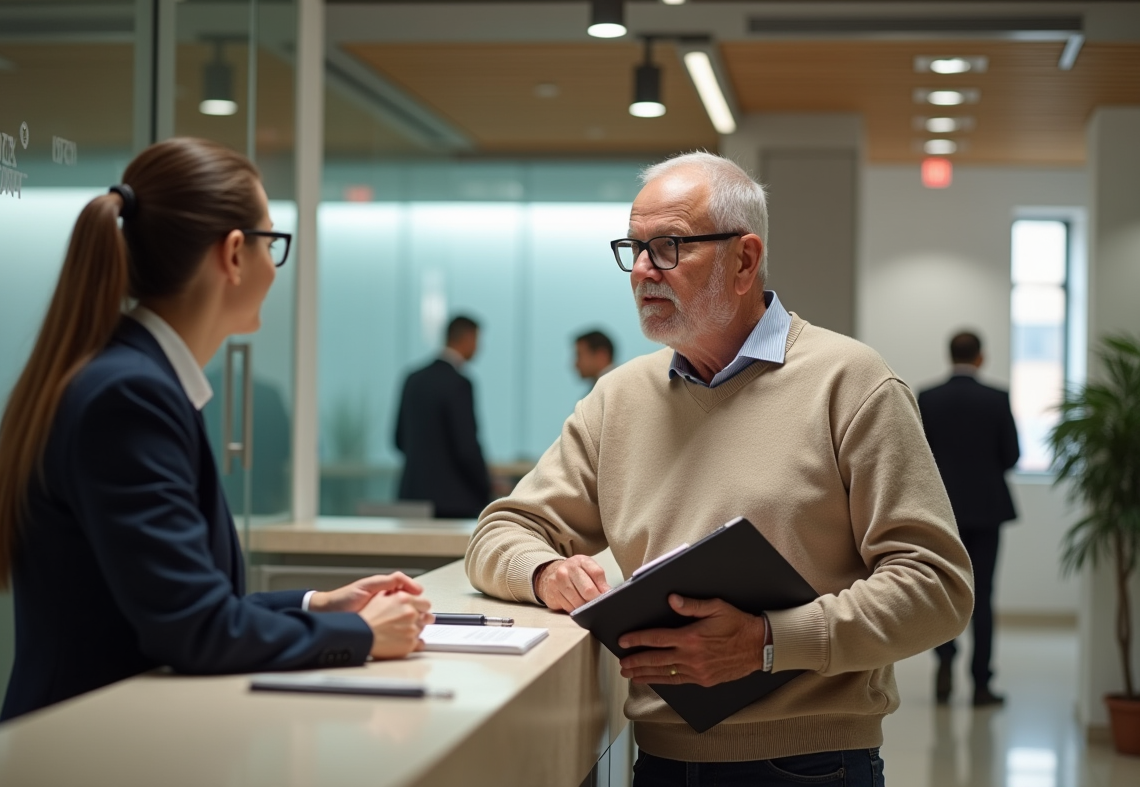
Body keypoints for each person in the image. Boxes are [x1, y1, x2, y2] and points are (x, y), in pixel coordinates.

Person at [465, 151, 973, 785]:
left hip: (812, 764)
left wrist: (768, 641)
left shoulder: (853, 384)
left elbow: (937, 588)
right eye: (635, 248)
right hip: (660, 763)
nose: (644, 270)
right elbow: (498, 533)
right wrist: (544, 571)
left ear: (745, 260)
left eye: (670, 247)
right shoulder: (617, 400)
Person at [0, 138, 432, 722]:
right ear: (235, 254)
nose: (276, 265)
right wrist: (359, 634)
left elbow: (188, 601)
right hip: (85, 746)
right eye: (274, 242)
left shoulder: (134, 380)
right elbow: (195, 629)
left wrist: (317, 603)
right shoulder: (130, 396)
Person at [918, 331, 1020, 707]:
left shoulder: (928, 397)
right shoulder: (997, 398)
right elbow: (1011, 455)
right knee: (984, 594)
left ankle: (944, 667)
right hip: (988, 509)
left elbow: (918, 454)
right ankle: (981, 684)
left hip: (942, 510)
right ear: (980, 358)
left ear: (950, 356)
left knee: (945, 590)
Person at [394, 315, 491, 519]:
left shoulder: (413, 379)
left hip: (412, 496)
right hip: (453, 503)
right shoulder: (459, 384)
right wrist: (486, 488)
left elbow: (398, 441)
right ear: (467, 338)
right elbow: (466, 448)